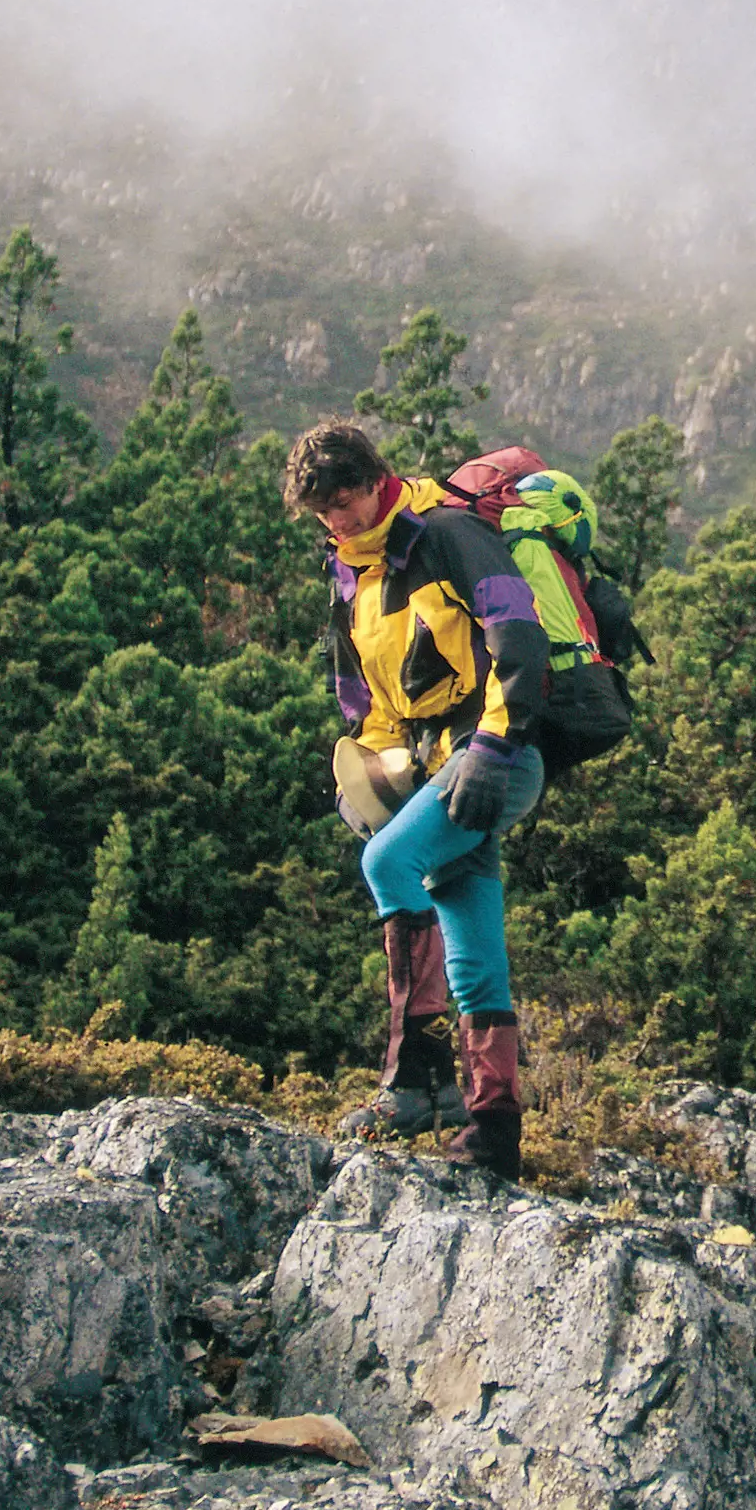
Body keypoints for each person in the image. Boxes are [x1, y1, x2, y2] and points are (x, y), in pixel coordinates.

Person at [283, 419, 551, 1176]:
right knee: (471, 944)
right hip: (440, 763)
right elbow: (371, 699)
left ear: (375, 480)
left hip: (495, 754)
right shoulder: (354, 576)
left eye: (345, 500)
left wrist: (495, 747)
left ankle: (418, 1082)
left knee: (388, 864)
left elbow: (518, 635)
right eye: (322, 510)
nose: (338, 519)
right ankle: (493, 1131)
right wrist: (367, 771)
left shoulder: (446, 535)